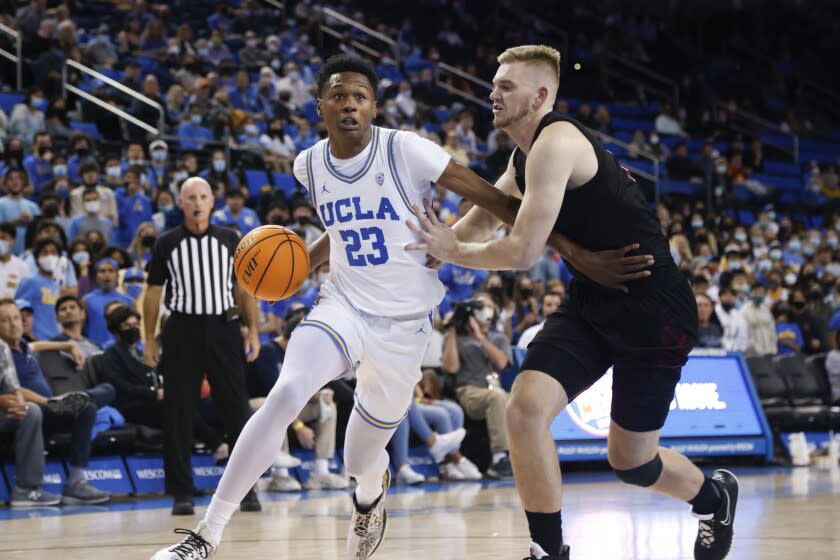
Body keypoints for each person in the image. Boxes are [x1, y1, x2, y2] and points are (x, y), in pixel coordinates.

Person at [151, 54, 654, 560]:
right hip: (341, 306)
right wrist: (305, 261)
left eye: (360, 97)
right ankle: (206, 536)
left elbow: (499, 204)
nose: (349, 104)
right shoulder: (309, 164)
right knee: (287, 392)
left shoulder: (407, 151)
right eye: (339, 95)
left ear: (373, 106)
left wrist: (578, 254)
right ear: (320, 104)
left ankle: (369, 499)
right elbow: (342, 225)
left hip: (404, 325)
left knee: (359, 459)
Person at [410, 45, 737, 560]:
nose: (493, 93)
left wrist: (454, 251)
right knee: (523, 410)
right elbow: (477, 223)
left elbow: (520, 251)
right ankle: (548, 551)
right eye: (494, 84)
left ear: (540, 96)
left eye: (506, 86)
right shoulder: (523, 157)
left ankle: (715, 498)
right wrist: (428, 246)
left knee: (632, 463)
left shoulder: (557, 142)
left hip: (653, 309)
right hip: (591, 301)